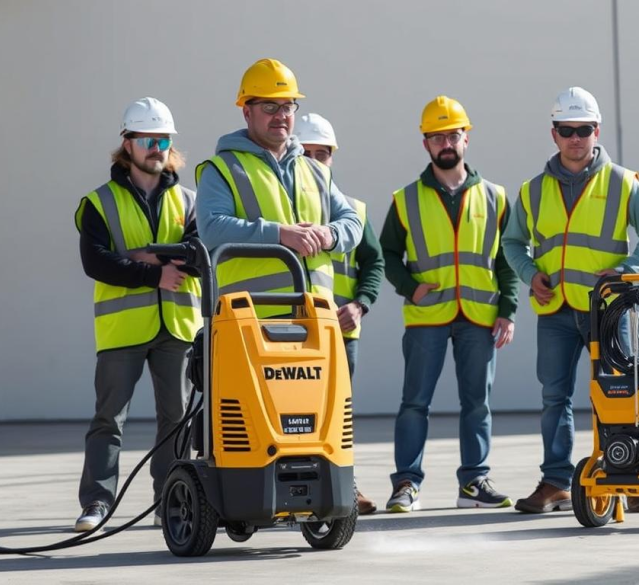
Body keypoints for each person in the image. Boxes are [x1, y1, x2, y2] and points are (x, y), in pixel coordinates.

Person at [502, 87, 639, 514]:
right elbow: (513, 242)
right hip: (555, 311)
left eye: (583, 130)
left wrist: (628, 271)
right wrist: (528, 273)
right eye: (566, 130)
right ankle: (556, 480)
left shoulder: (622, 182)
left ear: (597, 131)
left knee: (624, 391)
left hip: (609, 310)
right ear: (553, 134)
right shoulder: (533, 190)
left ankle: (632, 477)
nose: (576, 138)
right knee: (554, 397)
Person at [380, 96, 518, 512]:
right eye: (437, 135)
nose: (446, 142)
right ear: (425, 143)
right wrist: (410, 287)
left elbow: (507, 257)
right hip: (428, 315)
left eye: (453, 134)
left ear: (466, 138)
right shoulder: (405, 200)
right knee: (414, 403)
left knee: (478, 403)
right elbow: (385, 254)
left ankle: (473, 483)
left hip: (480, 316)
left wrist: (508, 310)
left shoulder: (495, 196)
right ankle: (406, 483)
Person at [73, 97, 201, 531]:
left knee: (177, 418)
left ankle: (171, 500)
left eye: (163, 139)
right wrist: (156, 274)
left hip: (179, 325)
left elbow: (201, 257)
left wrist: (147, 257)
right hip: (122, 328)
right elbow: (96, 262)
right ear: (126, 144)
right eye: (147, 138)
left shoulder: (191, 200)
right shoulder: (98, 203)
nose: (156, 147)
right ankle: (97, 503)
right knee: (109, 419)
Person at [195, 59, 361, 316]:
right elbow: (211, 229)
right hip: (253, 318)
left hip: (318, 316)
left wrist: (329, 234)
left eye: (288, 106)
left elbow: (352, 221)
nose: (281, 115)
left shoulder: (315, 170)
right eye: (270, 106)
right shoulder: (222, 168)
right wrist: (281, 234)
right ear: (247, 112)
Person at [296, 112, 385, 515]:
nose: (316, 160)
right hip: (290, 333)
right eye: (307, 152)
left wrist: (359, 304)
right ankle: (298, 489)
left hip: (339, 333)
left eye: (323, 154)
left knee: (338, 416)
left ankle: (344, 485)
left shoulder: (353, 210)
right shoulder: (282, 210)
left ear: (333, 157)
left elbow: (375, 264)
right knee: (295, 412)